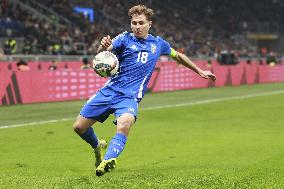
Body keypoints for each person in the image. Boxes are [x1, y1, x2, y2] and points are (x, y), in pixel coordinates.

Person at [72, 4, 216, 177]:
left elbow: (177, 55)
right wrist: (103, 46)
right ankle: (98, 147)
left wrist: (200, 71)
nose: (137, 27)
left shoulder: (158, 44)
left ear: (150, 24)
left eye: (141, 23)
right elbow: (103, 54)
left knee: (124, 124)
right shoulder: (124, 38)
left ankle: (107, 161)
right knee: (79, 127)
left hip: (129, 97)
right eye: (134, 23)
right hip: (109, 91)